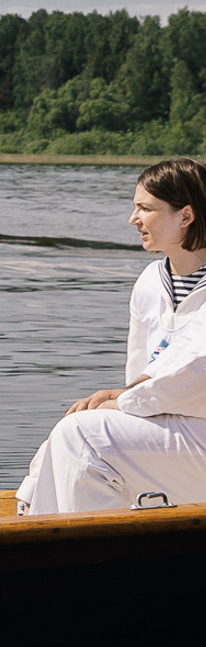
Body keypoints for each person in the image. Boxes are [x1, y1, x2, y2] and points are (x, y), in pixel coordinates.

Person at [17, 159, 206, 515]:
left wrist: (122, 402)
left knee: (86, 436)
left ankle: (90, 558)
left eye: (145, 208)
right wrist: (34, 483)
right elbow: (138, 375)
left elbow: (196, 372)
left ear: (185, 216)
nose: (133, 219)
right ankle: (36, 527)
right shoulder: (150, 281)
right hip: (172, 433)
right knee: (78, 425)